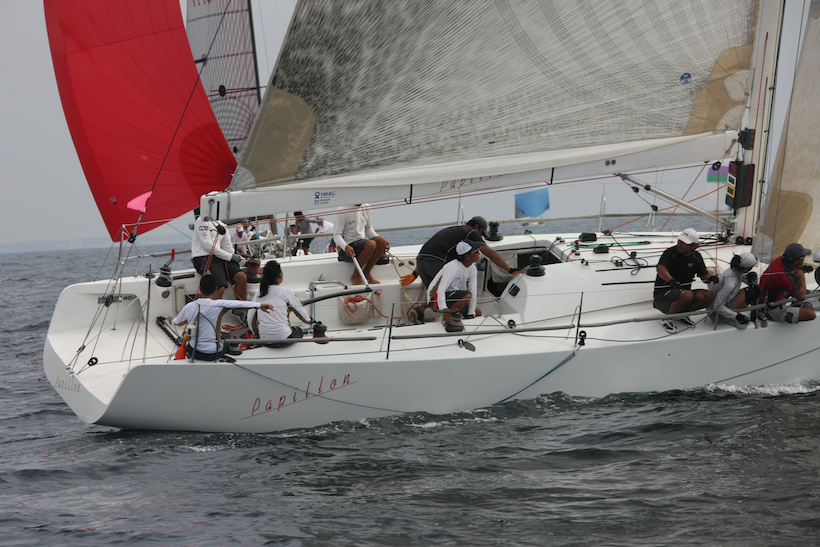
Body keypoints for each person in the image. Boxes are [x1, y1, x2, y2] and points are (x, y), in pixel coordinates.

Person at [401, 216, 516, 321]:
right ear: (477, 227)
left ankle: (419, 310)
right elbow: (490, 253)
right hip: (436, 264)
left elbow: (430, 253)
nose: (480, 237)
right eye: (481, 234)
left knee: (438, 294)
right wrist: (510, 270)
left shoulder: (454, 231)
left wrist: (415, 274)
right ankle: (449, 321)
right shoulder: (471, 233)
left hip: (422, 264)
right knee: (463, 302)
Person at [169, 275, 272, 361]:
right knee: (226, 342)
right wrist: (260, 305)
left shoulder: (189, 307)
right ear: (215, 289)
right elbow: (239, 304)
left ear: (199, 288)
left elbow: (178, 322)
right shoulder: (219, 305)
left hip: (195, 353)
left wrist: (171, 319)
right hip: (214, 353)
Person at [653, 228, 717, 333]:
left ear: (693, 246)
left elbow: (704, 277)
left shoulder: (696, 257)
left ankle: (681, 314)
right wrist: (671, 280)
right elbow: (660, 268)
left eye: (683, 243)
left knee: (708, 295)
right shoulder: (670, 253)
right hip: (663, 296)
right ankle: (667, 318)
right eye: (679, 241)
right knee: (687, 295)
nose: (679, 244)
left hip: (684, 294)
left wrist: (710, 278)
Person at [248, 261, 312, 347]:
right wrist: (309, 320)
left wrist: (256, 336)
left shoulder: (258, 295)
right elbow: (301, 312)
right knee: (299, 330)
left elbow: (250, 318)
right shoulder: (285, 292)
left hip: (265, 340)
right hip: (284, 338)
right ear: (279, 277)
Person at [191, 208, 248, 300]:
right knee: (220, 287)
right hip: (202, 258)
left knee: (241, 277)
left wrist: (244, 261)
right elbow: (207, 246)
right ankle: (211, 309)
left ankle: (240, 307)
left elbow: (228, 249)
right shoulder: (202, 220)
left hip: (217, 256)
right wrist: (230, 256)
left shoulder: (222, 224)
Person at [427, 240, 483, 329]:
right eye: (476, 251)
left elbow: (473, 290)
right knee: (467, 296)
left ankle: (458, 320)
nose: (479, 253)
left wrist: (471, 313)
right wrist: (444, 308)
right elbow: (440, 290)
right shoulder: (452, 267)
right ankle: (449, 320)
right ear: (467, 256)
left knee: (478, 312)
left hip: (451, 296)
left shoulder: (472, 268)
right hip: (435, 298)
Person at [759, 242, 816, 323]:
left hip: (767, 298)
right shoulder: (783, 277)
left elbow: (789, 275)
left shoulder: (780, 260)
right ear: (797, 261)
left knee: (799, 286)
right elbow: (802, 297)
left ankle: (796, 304)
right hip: (771, 309)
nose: (804, 259)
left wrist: (801, 269)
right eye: (803, 257)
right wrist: (801, 277)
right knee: (811, 315)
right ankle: (807, 304)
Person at [333, 203, 390, 285]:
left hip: (360, 243)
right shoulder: (342, 210)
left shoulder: (366, 207)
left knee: (382, 240)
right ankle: (355, 276)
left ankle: (367, 272)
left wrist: (381, 241)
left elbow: (368, 228)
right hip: (346, 248)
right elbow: (336, 235)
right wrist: (345, 247)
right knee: (371, 244)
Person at [708, 252, 760, 329]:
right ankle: (727, 318)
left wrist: (752, 278)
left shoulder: (734, 271)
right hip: (716, 315)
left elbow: (743, 278)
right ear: (746, 269)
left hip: (722, 304)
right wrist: (737, 316)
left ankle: (755, 312)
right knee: (750, 293)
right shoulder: (730, 284)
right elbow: (717, 306)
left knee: (755, 289)